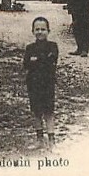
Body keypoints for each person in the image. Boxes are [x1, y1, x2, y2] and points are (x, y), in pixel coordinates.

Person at [23, 16, 59, 148]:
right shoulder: (30, 48)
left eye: (43, 29)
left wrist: (36, 60)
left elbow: (51, 61)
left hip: (47, 83)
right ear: (33, 31)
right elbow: (26, 64)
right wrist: (40, 60)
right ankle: (39, 139)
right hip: (33, 83)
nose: (40, 32)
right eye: (37, 29)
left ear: (48, 31)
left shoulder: (53, 46)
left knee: (48, 111)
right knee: (36, 111)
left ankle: (51, 140)